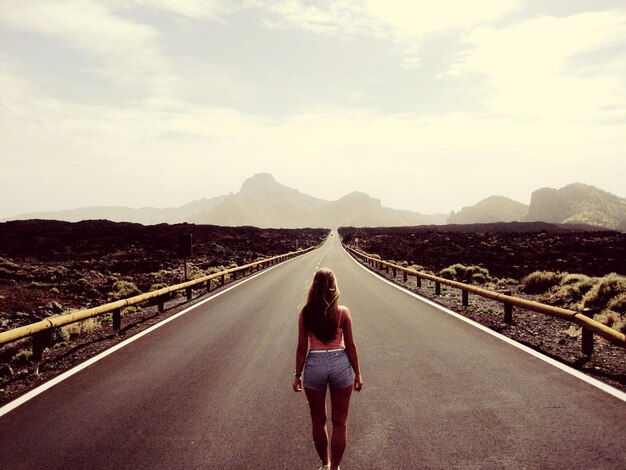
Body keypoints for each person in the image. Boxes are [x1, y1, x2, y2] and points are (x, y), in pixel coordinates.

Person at [292, 268, 363, 470]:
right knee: (340, 422)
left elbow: (301, 348)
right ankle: (335, 469)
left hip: (315, 364)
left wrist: (297, 375)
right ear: (334, 287)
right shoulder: (343, 312)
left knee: (318, 420)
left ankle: (325, 464)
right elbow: (350, 346)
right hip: (340, 363)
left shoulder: (306, 313)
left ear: (314, 287)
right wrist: (358, 373)